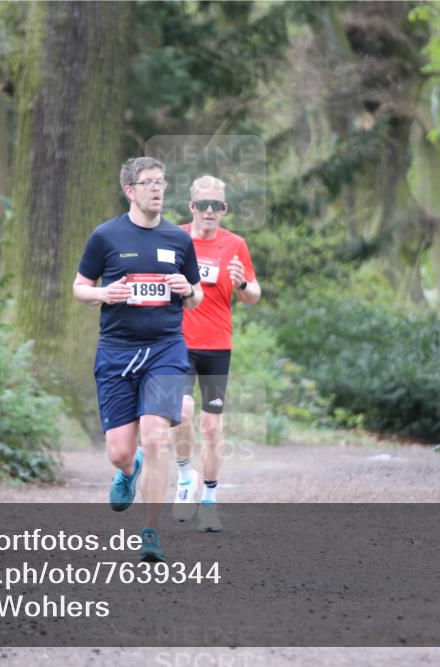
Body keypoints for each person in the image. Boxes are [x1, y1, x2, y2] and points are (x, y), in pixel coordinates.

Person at [72, 157, 203, 562]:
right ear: (130, 190)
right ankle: (129, 472)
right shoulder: (106, 236)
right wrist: (102, 295)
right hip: (117, 352)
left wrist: (187, 288)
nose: (157, 189)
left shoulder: (178, 239)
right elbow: (80, 287)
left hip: (165, 349)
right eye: (148, 183)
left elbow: (196, 297)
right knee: (120, 452)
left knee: (156, 436)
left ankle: (150, 533)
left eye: (161, 183)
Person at [171, 175, 260, 532]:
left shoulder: (235, 244)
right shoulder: (173, 237)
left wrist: (241, 283)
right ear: (192, 206)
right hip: (176, 341)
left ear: (224, 209)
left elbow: (253, 293)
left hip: (217, 345)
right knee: (180, 410)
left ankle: (208, 499)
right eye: (202, 205)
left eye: (216, 206)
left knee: (211, 426)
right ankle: (182, 479)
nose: (209, 211)